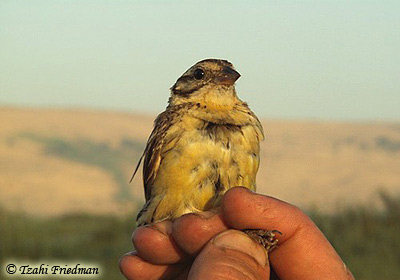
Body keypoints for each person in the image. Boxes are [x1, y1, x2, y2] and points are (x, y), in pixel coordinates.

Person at [119, 187, 354, 280]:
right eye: (200, 76)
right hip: (178, 228)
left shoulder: (247, 124)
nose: (226, 77)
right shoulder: (171, 124)